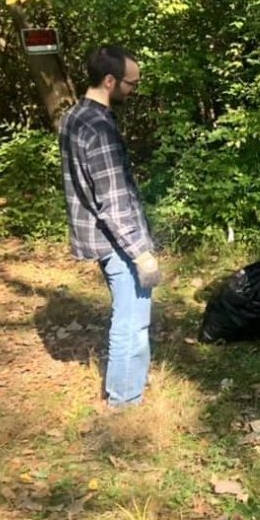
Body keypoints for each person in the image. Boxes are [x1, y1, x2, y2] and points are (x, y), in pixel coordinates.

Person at [59, 45, 160, 408]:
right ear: (109, 80)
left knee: (127, 314)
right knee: (132, 320)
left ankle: (125, 393)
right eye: (131, 84)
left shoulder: (74, 116)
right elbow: (114, 201)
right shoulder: (99, 128)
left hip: (98, 236)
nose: (134, 91)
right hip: (117, 240)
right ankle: (124, 401)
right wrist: (141, 253)